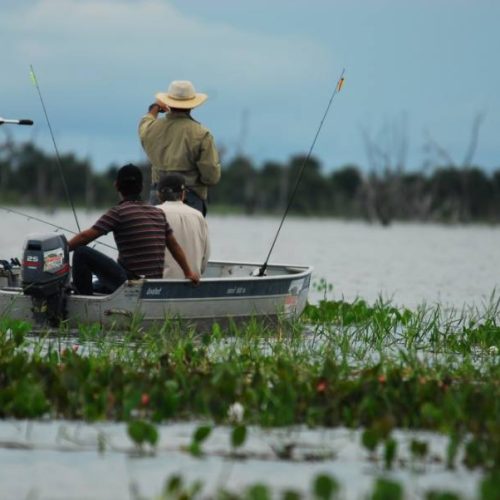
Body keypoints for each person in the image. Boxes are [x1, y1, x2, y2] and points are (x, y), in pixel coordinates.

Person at [68, 164, 199, 295]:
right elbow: (174, 246)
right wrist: (188, 273)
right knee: (99, 284)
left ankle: (84, 301)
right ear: (141, 187)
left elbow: (84, 238)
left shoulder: (118, 212)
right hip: (153, 286)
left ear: (116, 186)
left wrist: (63, 249)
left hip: (130, 284)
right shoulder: (158, 213)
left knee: (81, 252)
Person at [138, 80, 221, 216]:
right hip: (190, 199)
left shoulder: (150, 129)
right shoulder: (202, 134)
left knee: (156, 236)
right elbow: (211, 177)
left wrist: (154, 108)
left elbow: (144, 123)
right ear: (192, 105)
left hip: (157, 197)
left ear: (168, 103)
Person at [156, 173, 210, 279]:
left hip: (159, 286)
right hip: (192, 283)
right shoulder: (198, 216)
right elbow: (204, 261)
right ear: (182, 194)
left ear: (159, 195)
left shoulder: (153, 213)